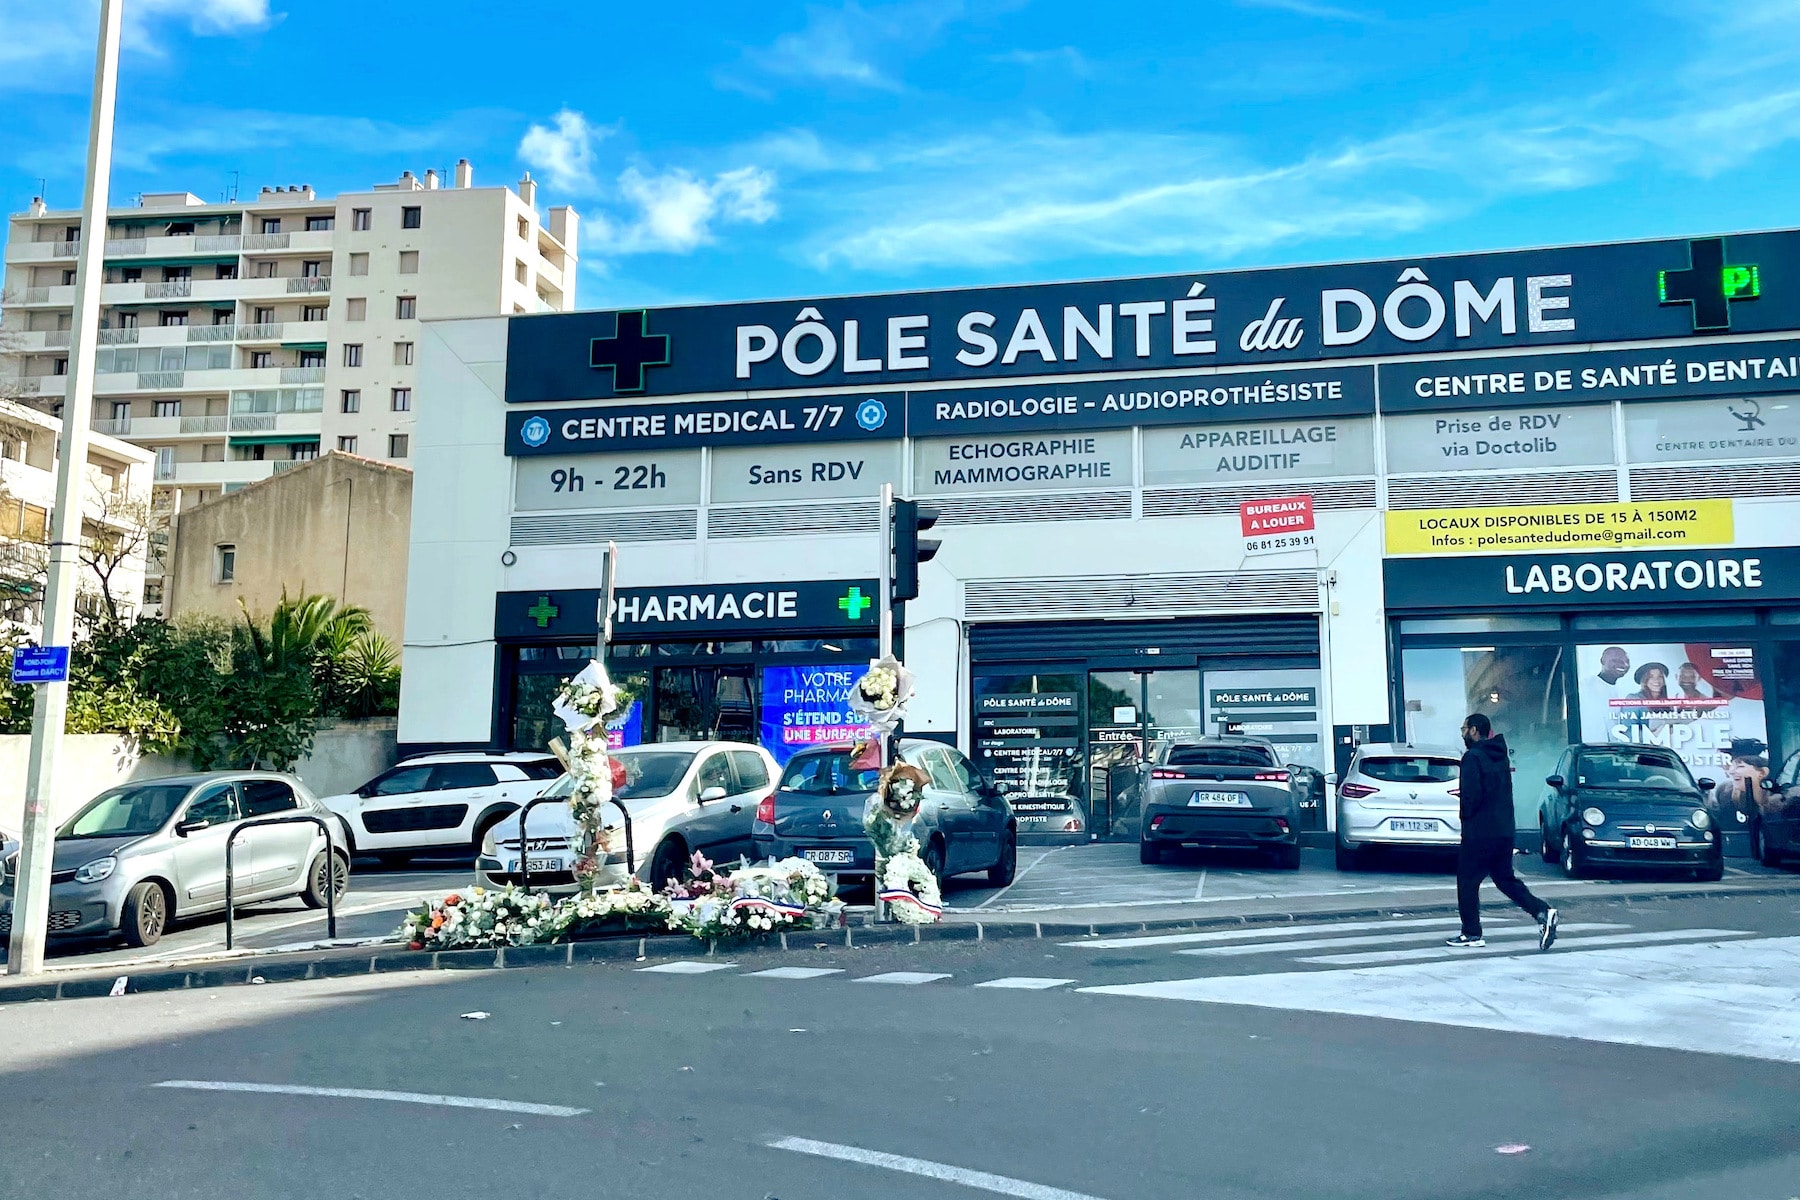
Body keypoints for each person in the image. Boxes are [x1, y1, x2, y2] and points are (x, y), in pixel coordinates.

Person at [1448, 713, 1559, 950]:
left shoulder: (1472, 757)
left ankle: (1471, 933)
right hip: (1503, 830)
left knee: (1467, 881)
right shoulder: (1499, 755)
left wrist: (1466, 817)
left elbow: (1472, 796)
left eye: (1464, 728)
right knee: (1504, 879)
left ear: (1475, 730)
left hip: (1479, 831)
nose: (1462, 733)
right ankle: (1542, 911)